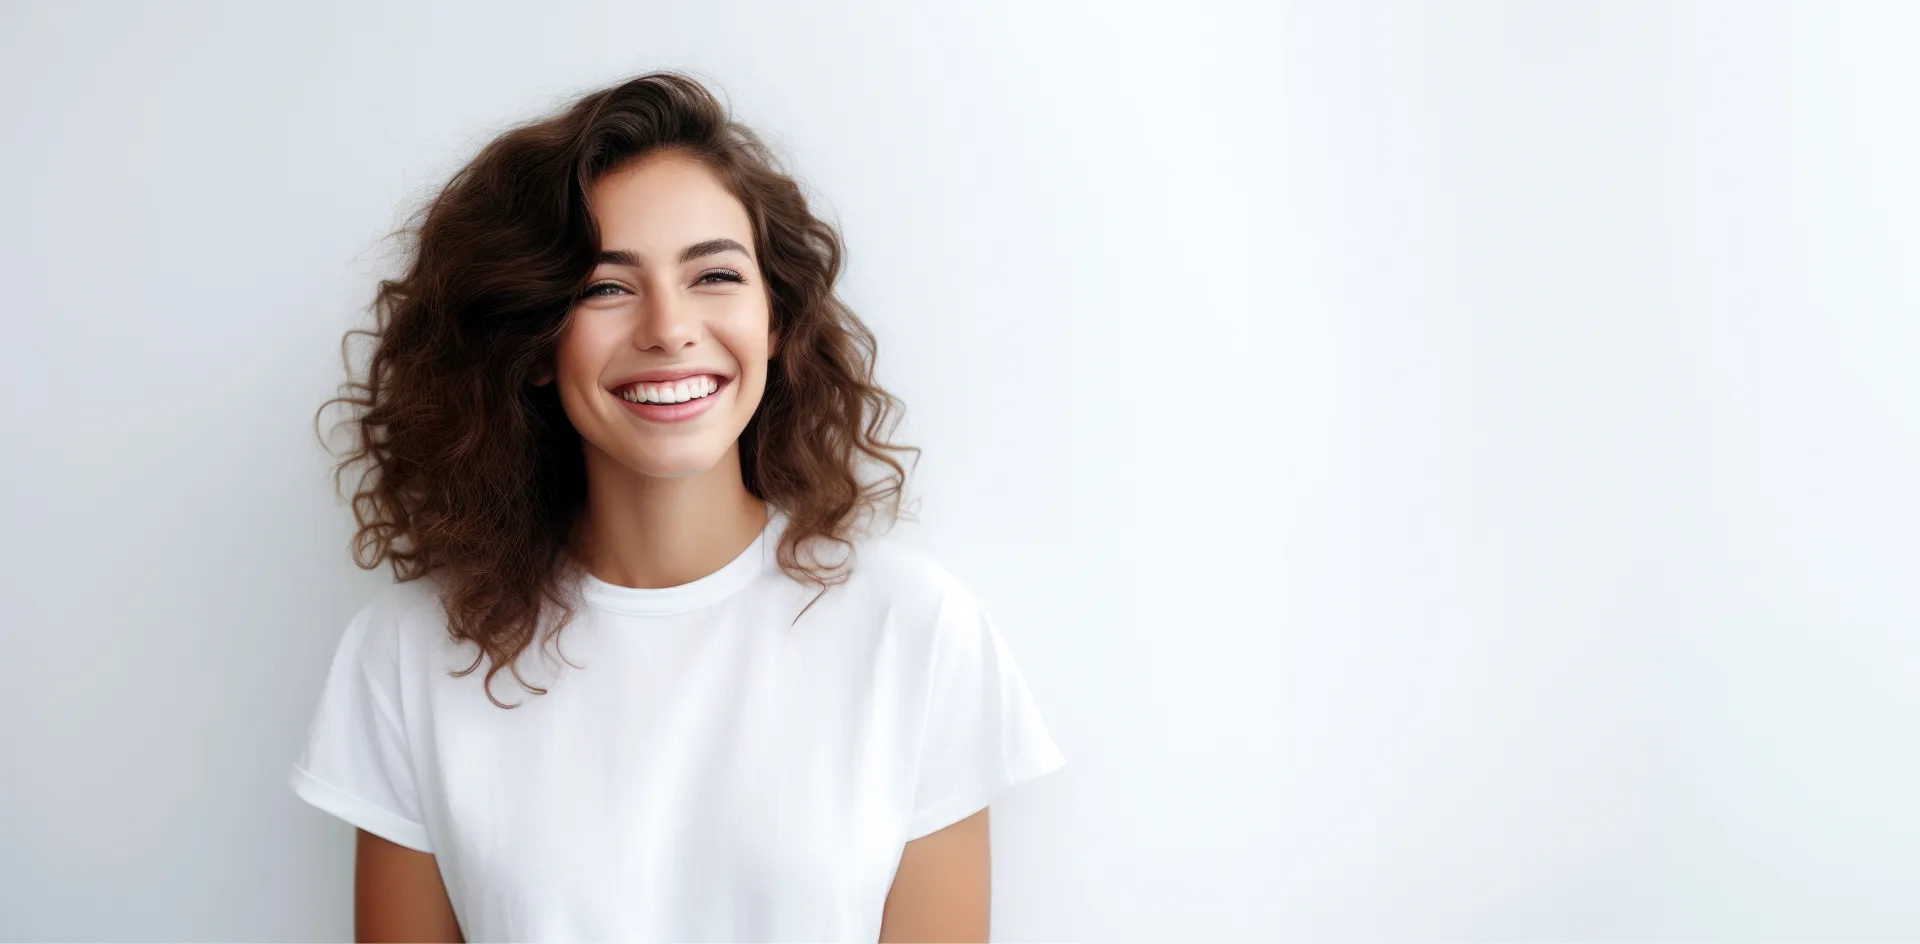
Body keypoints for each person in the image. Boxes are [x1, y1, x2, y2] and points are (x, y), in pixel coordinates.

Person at [289, 70, 1066, 942]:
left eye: (714, 275)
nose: (668, 328)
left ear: (775, 320)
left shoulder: (913, 633)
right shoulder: (408, 655)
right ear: (534, 341)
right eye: (605, 287)